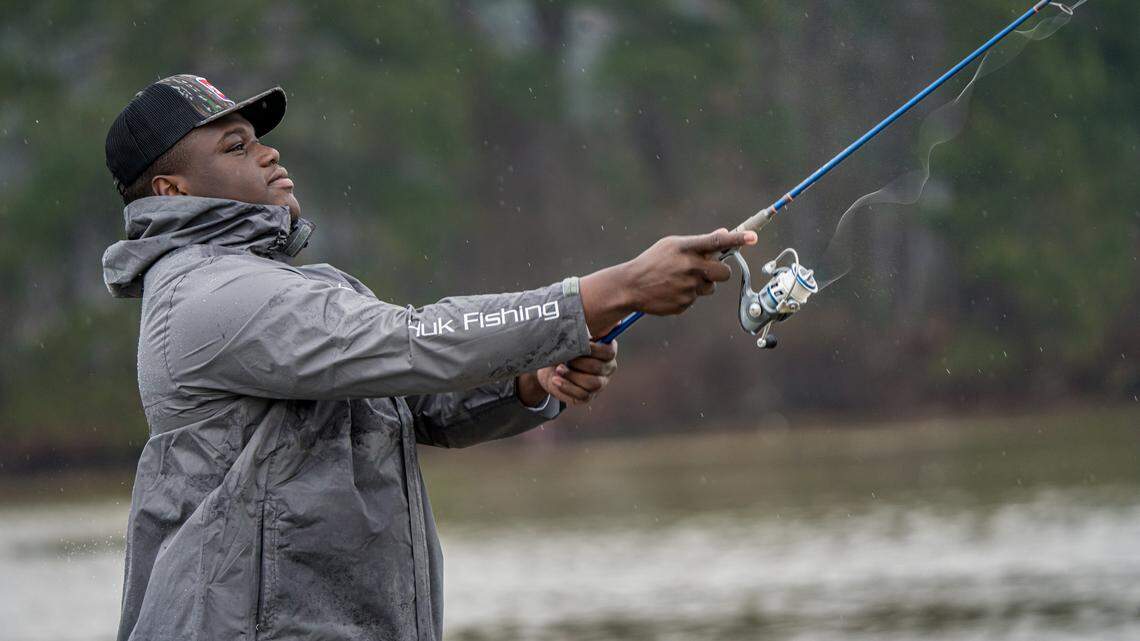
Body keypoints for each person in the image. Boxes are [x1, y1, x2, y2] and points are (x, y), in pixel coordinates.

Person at [101, 74, 757, 641]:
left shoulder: (284, 288)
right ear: (172, 190)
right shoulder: (209, 297)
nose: (268, 153)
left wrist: (528, 382)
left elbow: (416, 405)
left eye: (258, 139)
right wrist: (614, 290)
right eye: (236, 146)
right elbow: (417, 341)